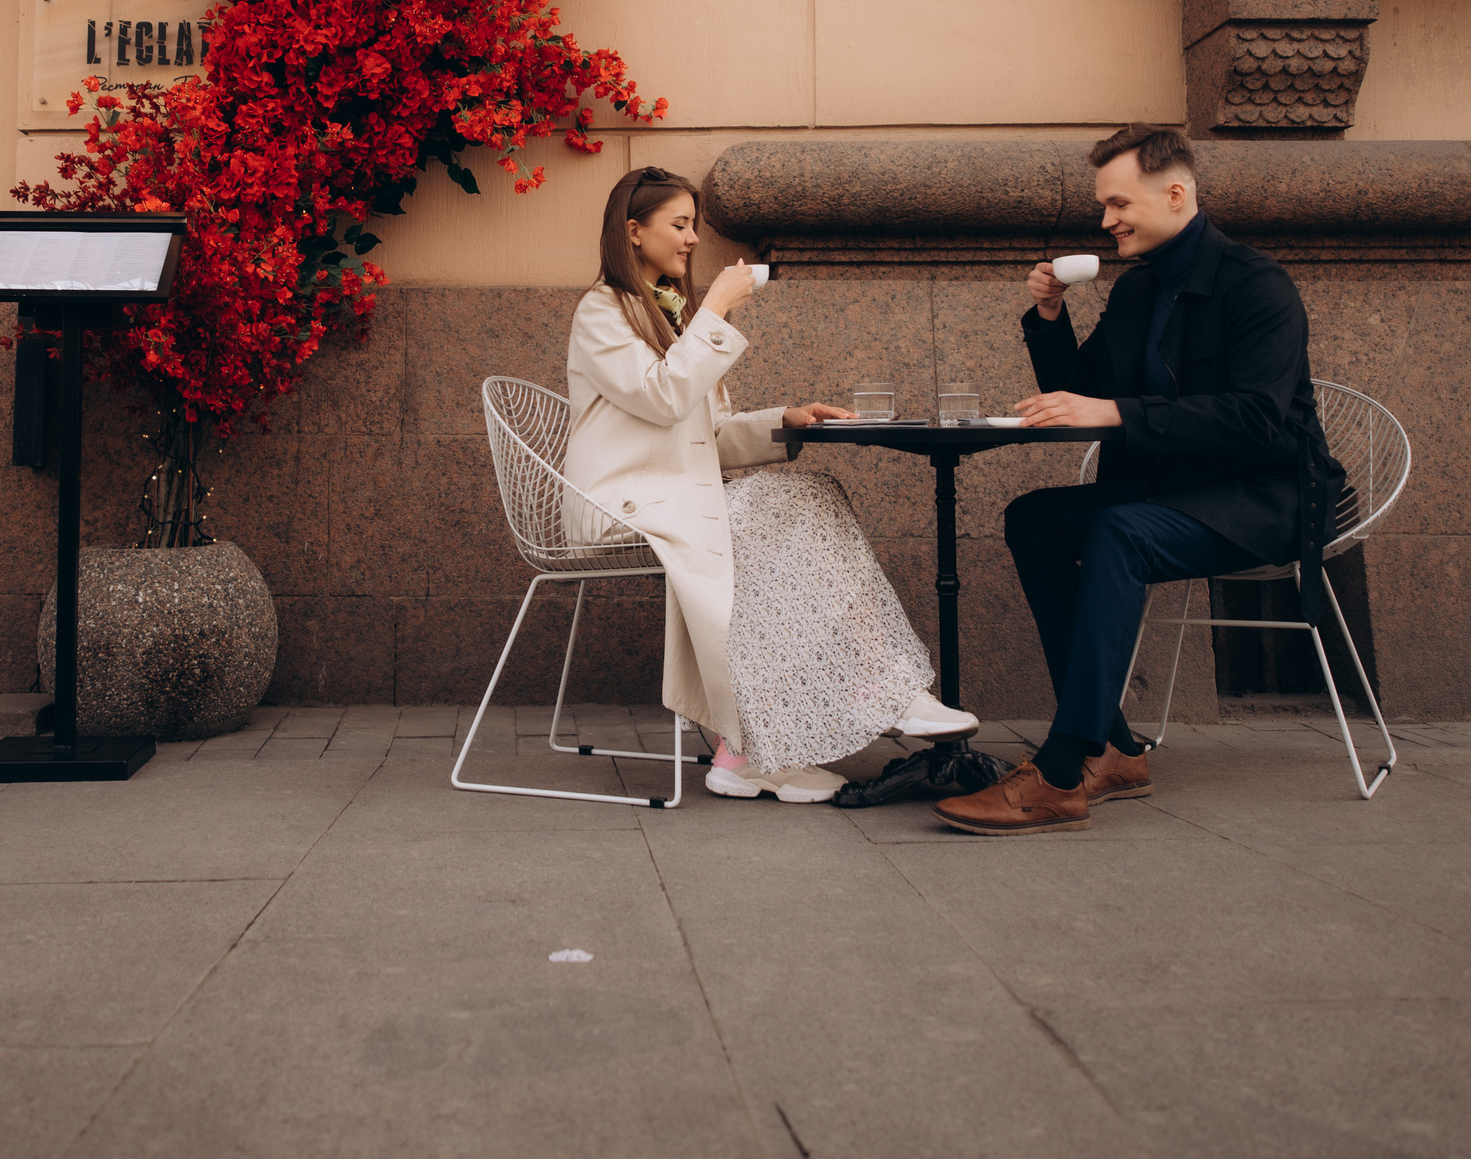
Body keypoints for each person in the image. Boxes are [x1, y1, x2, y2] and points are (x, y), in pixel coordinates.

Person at [933, 124, 1341, 836]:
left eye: (1117, 203)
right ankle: (1115, 746)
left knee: (1119, 531)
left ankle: (1061, 771)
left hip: (1265, 498)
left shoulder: (1257, 285)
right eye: (1104, 206)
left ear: (1175, 193)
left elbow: (1255, 420)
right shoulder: (1137, 291)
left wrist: (1118, 409)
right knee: (1035, 519)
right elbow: (1076, 396)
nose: (1106, 220)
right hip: (1171, 491)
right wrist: (1051, 314)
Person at [563, 166, 977, 804]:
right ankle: (878, 692)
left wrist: (784, 419)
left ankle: (748, 752)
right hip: (620, 504)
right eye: (679, 225)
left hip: (677, 496)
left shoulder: (672, 316)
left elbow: (712, 436)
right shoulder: (603, 310)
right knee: (787, 513)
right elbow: (665, 397)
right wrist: (718, 309)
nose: (693, 239)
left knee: (806, 502)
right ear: (633, 231)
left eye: (693, 226)